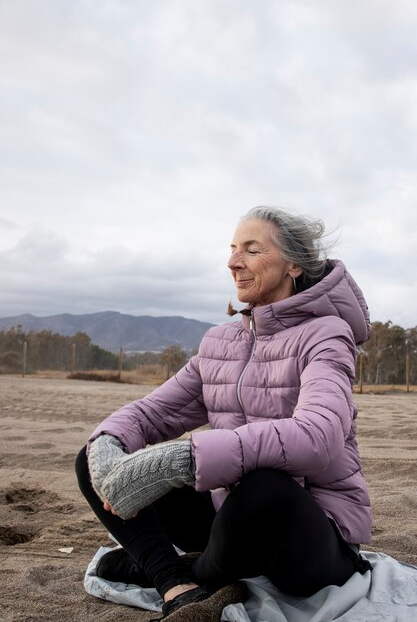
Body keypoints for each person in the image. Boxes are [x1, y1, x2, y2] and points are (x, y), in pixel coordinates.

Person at [76, 206, 372, 622]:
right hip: (229, 519)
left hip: (311, 534)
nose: (233, 262)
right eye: (233, 249)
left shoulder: (327, 334)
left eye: (251, 250)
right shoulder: (220, 342)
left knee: (264, 487)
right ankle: (172, 581)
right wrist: (111, 446)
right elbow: (151, 413)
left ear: (294, 265)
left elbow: (318, 437)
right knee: (95, 456)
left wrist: (184, 459)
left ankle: (186, 569)